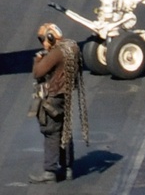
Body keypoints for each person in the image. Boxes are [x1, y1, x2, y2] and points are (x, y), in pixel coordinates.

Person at [30, 22, 88, 183]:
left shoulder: (55, 54)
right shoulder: (71, 48)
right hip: (66, 97)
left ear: (50, 37)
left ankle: (49, 172)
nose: (43, 43)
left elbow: (38, 73)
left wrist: (38, 59)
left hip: (53, 97)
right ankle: (68, 168)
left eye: (43, 39)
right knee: (65, 131)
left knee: (51, 132)